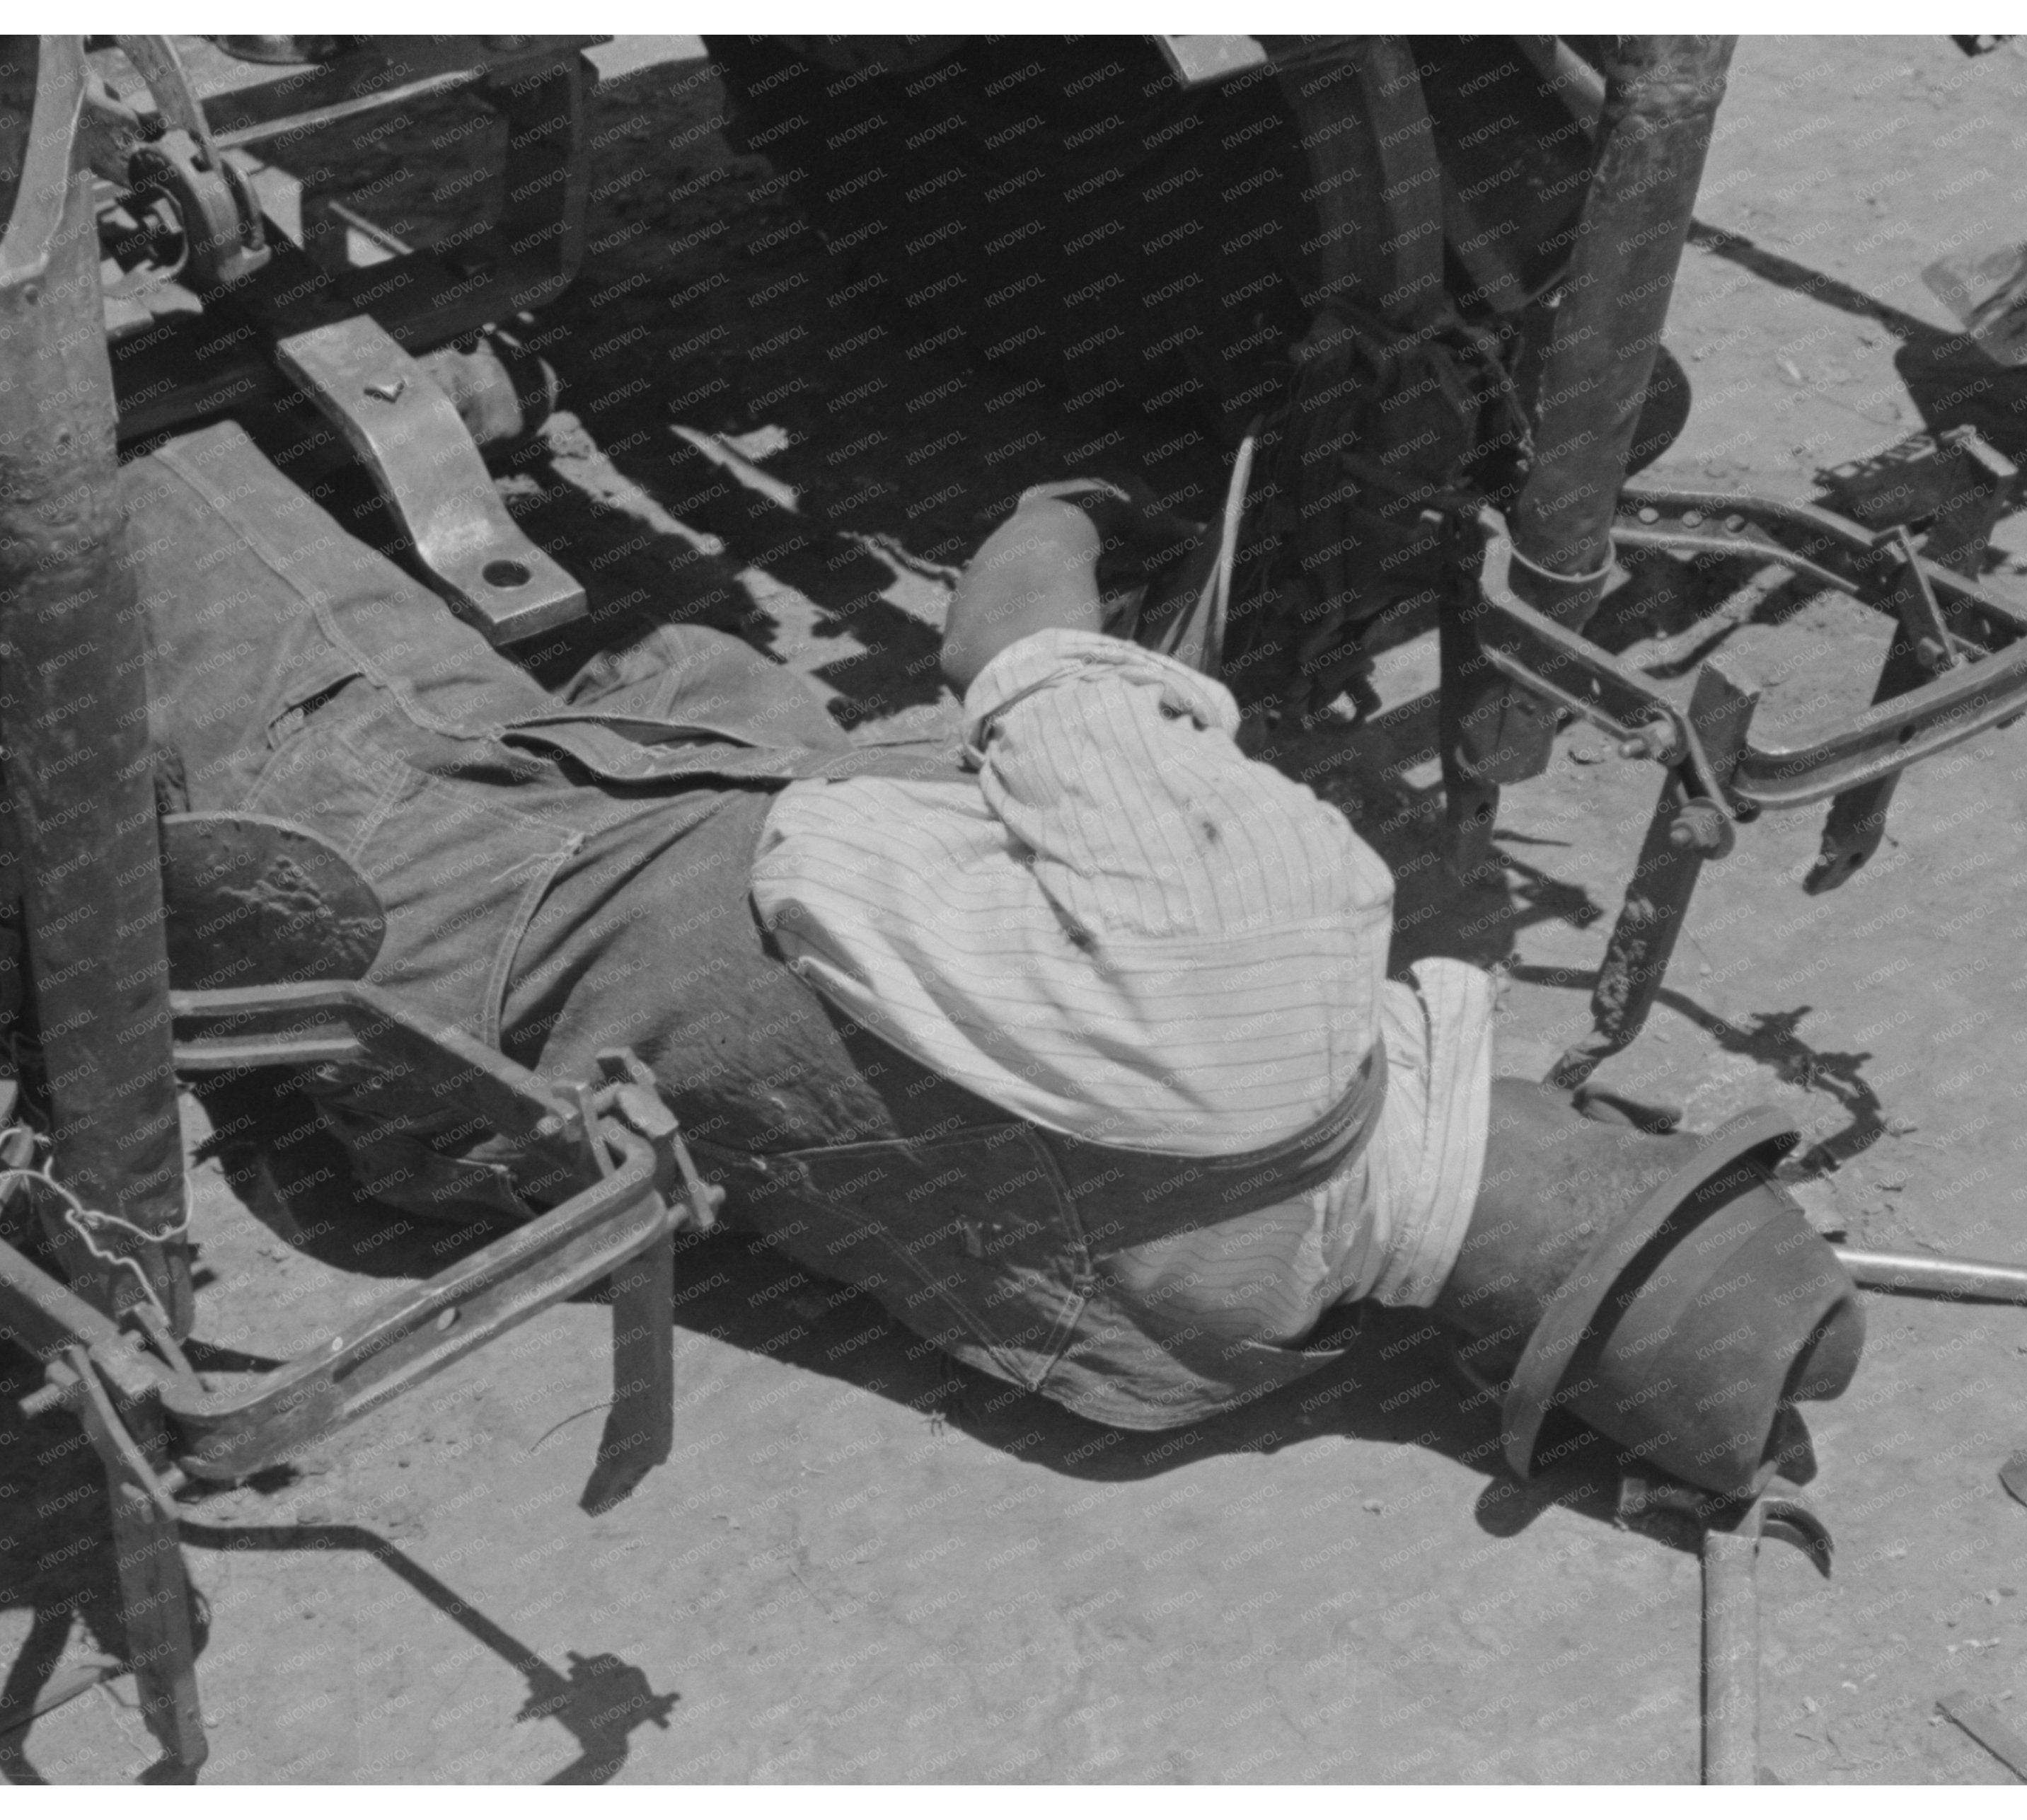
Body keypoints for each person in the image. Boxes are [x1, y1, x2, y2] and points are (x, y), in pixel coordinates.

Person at [129, 420, 1859, 1494]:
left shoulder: (1271, 955)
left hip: (416, 871)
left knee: (127, 464)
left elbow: (998, 621)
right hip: (449, 1118)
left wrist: (1067, 505)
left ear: (1590, 1175)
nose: (1606, 1097)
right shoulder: (1177, 1378)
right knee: (738, 698)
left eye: (1641, 1141)